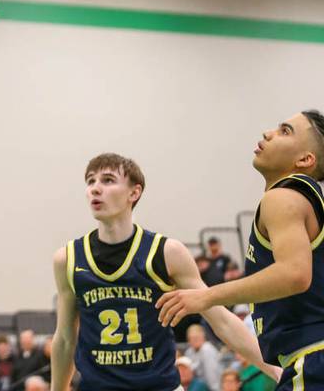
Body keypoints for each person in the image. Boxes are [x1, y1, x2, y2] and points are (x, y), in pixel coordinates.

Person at [50, 153, 278, 391]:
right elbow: (65, 338)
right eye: (90, 181)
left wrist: (274, 369)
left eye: (108, 180)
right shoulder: (68, 258)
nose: (95, 188)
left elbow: (221, 320)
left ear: (134, 193)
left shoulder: (167, 252)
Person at [157, 110, 324, 390]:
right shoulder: (309, 202)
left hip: (313, 357)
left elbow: (295, 274)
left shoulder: (283, 196)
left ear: (305, 159)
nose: (268, 133)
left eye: (285, 131)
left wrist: (206, 296)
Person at [184, 324, 223, 391]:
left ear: (203, 337)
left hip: (212, 386)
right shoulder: (189, 352)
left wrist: (214, 389)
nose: (194, 340)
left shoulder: (207, 349)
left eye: (196, 338)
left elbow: (212, 374)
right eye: (192, 338)